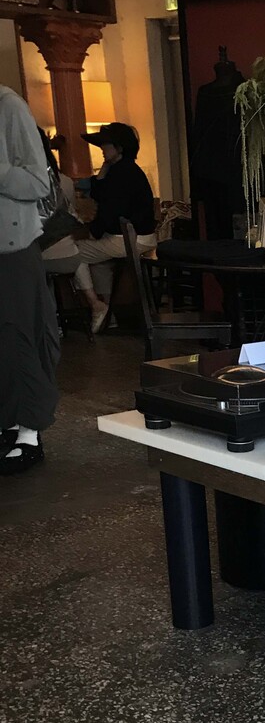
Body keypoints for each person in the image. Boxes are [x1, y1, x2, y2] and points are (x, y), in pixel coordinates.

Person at [0, 85, 60, 476]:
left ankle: (29, 432)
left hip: (12, 248)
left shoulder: (8, 107)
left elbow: (39, 183)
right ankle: (8, 424)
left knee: (20, 336)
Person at [72, 122, 156, 333]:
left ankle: (96, 304)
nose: (102, 148)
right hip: (138, 237)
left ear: (119, 147)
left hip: (130, 238)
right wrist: (106, 166)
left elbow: (109, 210)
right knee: (99, 263)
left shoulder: (121, 174)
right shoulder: (124, 170)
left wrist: (92, 232)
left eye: (106, 144)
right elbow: (101, 193)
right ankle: (108, 314)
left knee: (72, 253)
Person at [38, 128, 82, 279]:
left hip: (41, 257)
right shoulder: (65, 180)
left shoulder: (23, 183)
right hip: (69, 254)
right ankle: (90, 293)